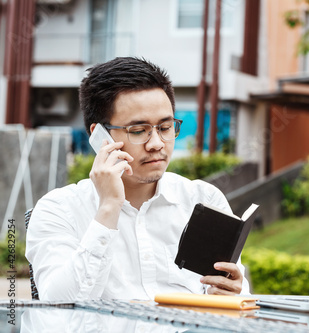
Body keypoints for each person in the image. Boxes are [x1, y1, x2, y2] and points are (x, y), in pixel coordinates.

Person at [25, 57, 249, 301]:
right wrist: (109, 207)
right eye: (138, 131)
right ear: (100, 136)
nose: (156, 144)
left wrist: (231, 291)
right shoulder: (59, 209)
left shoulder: (203, 199)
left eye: (165, 128)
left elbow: (234, 295)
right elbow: (58, 304)